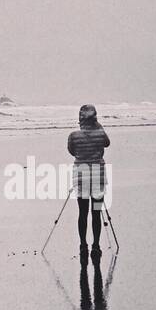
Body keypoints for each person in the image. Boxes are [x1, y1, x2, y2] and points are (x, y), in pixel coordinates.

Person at [67, 103, 110, 260]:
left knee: (82, 212)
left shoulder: (73, 136)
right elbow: (107, 143)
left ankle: (83, 245)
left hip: (80, 176)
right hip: (98, 177)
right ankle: (96, 246)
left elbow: (72, 151)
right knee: (96, 212)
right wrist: (98, 126)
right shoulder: (100, 134)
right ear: (95, 118)